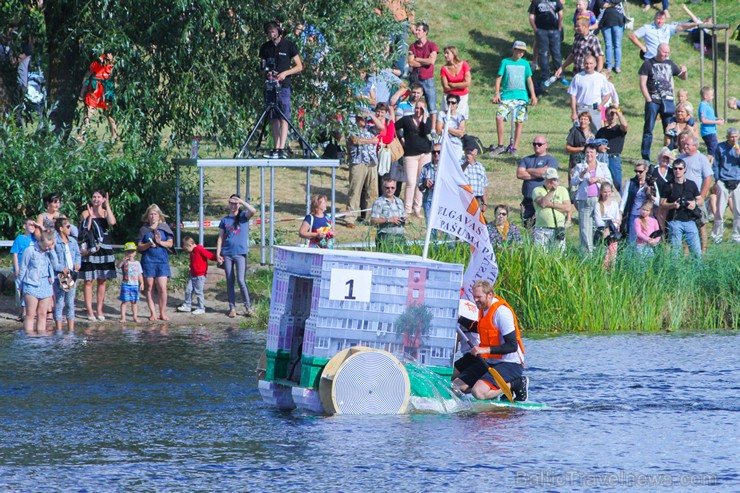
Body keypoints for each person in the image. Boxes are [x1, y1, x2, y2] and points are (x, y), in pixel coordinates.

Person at [452, 280, 528, 402]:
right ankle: (490, 389)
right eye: (474, 297)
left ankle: (517, 383)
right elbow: (479, 328)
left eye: (479, 297)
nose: (475, 300)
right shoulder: (483, 308)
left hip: (510, 363)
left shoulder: (502, 313)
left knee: (478, 392)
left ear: (490, 295)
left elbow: (512, 346)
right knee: (455, 388)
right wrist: (459, 318)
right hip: (491, 361)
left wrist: (483, 349)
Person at [259, 20, 303, 159]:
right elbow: (262, 66)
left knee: (284, 116)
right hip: (270, 86)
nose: (271, 35)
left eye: (273, 31)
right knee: (273, 117)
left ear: (279, 31)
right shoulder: (265, 47)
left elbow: (299, 66)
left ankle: (281, 148)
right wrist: (266, 72)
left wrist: (285, 73)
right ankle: (275, 147)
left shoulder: (288, 45)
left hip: (283, 86)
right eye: (269, 32)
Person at [638, 43, 687, 162]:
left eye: (668, 53)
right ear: (658, 50)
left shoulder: (669, 64)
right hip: (653, 100)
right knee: (649, 129)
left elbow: (683, 77)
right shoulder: (648, 64)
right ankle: (645, 157)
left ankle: (669, 154)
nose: (666, 55)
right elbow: (642, 83)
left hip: (668, 100)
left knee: (669, 129)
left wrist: (684, 71)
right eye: (664, 52)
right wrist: (648, 99)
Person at [490, 41, 538, 157]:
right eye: (518, 50)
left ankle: (514, 147)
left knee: (519, 122)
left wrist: (533, 95)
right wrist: (497, 94)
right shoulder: (505, 62)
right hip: (507, 96)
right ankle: (500, 145)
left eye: (522, 51)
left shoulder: (525, 64)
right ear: (513, 50)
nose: (520, 53)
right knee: (499, 116)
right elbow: (498, 78)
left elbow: (529, 80)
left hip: (521, 97)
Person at [79, 190, 117, 321]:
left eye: (98, 197)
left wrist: (107, 205)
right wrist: (90, 216)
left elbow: (112, 223)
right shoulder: (85, 213)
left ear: (102, 199)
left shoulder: (106, 213)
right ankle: (90, 310)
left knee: (102, 279)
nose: (96, 199)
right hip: (90, 249)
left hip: (104, 249)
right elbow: (84, 231)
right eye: (94, 196)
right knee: (88, 280)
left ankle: (99, 309)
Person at [216, 195, 257, 318]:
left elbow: (253, 211)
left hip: (240, 253)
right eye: (231, 203)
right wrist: (218, 254)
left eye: (235, 203)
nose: (233, 206)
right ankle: (232, 308)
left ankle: (248, 307)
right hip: (227, 253)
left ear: (239, 204)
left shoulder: (243, 217)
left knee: (241, 280)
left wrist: (241, 201)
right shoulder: (224, 220)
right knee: (230, 281)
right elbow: (220, 238)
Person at [571, 143, 613, 253]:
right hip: (585, 200)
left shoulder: (603, 166)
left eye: (592, 152)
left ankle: (599, 252)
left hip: (599, 200)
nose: (589, 154)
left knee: (599, 227)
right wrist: (583, 173)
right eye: (587, 152)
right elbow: (573, 181)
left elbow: (609, 181)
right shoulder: (580, 166)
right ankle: (586, 255)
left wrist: (597, 179)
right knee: (585, 228)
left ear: (597, 154)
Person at [677, 133, 713, 253]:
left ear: (695, 146)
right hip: (684, 197)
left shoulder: (701, 158)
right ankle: (686, 252)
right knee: (685, 224)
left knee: (701, 224)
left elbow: (708, 178)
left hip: (697, 197)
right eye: (684, 143)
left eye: (687, 144)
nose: (685, 145)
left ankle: (703, 251)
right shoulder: (681, 158)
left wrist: (702, 196)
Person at [137, 204, 174, 321]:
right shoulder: (143, 230)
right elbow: (139, 247)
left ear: (159, 216)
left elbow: (170, 244)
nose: (153, 216)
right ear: (147, 216)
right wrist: (148, 244)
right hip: (148, 261)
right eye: (151, 214)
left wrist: (159, 242)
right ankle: (152, 313)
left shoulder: (165, 228)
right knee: (149, 287)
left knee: (162, 287)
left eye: (155, 214)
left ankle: (162, 313)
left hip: (162, 261)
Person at [660, 159, 703, 259]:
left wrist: (694, 203)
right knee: (675, 253)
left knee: (696, 252)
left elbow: (700, 200)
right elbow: (662, 204)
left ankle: (698, 272)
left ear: (685, 169)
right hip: (674, 221)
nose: (677, 171)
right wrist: (673, 205)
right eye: (675, 168)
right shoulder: (668, 185)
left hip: (690, 221)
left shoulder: (691, 184)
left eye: (680, 168)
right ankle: (675, 273)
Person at [396, 99, 432, 217]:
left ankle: (417, 208)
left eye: (421, 108)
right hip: (410, 154)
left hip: (425, 154)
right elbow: (394, 126)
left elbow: (426, 131)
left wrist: (425, 117)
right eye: (417, 108)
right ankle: (407, 209)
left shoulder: (427, 121)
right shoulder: (407, 119)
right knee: (411, 182)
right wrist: (400, 137)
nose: (418, 110)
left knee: (420, 181)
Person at [517, 135, 559, 228]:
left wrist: (528, 170)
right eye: (534, 144)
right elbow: (520, 174)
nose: (537, 146)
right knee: (527, 227)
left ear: (546, 145)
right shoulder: (526, 159)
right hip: (528, 200)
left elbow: (545, 173)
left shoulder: (551, 160)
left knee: (542, 227)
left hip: (543, 199)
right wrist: (539, 174)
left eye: (539, 144)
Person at [17, 230, 55, 334]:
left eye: (49, 245)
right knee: (30, 314)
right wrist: (19, 285)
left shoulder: (49, 252)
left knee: (42, 314)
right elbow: (23, 268)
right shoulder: (30, 250)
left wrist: (52, 250)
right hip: (31, 284)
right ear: (40, 241)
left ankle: (41, 339)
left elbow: (56, 266)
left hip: (46, 285)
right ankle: (29, 338)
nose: (47, 248)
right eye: (46, 245)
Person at [345, 114, 379, 229]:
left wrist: (371, 115)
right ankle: (350, 218)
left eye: (365, 118)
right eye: (360, 118)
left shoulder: (371, 128)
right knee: (355, 190)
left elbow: (382, 128)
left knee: (372, 191)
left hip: (372, 162)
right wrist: (371, 141)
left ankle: (371, 218)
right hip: (358, 162)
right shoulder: (350, 129)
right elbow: (355, 140)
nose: (363, 120)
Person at [77, 52, 117, 143]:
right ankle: (81, 136)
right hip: (95, 88)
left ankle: (114, 137)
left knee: (109, 114)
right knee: (88, 113)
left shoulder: (112, 65)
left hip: (106, 89)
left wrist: (111, 61)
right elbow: (89, 77)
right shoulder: (96, 63)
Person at [49, 217, 81, 331]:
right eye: (68, 226)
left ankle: (71, 330)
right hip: (61, 275)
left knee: (70, 302)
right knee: (60, 302)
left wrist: (77, 264)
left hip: (71, 274)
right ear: (61, 228)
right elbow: (53, 260)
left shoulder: (72, 241)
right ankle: (59, 330)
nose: (70, 228)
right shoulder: (55, 241)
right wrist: (61, 268)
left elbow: (78, 254)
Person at [566, 55, 611, 132]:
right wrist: (573, 112)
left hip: (595, 109)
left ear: (595, 64)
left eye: (591, 63)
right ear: (583, 64)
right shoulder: (578, 77)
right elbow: (573, 96)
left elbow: (608, 94)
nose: (588, 66)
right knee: (579, 132)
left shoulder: (600, 77)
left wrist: (601, 105)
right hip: (581, 109)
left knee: (597, 132)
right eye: (586, 63)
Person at [408, 22, 439, 132]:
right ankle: (414, 125)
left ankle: (433, 129)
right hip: (416, 79)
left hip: (428, 79)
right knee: (413, 102)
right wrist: (425, 62)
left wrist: (418, 59)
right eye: (416, 30)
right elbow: (411, 63)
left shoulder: (432, 46)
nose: (416, 32)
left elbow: (432, 61)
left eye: (419, 30)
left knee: (431, 105)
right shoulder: (412, 46)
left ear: (425, 32)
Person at [628, 10, 697, 60]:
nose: (660, 21)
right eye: (658, 19)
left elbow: (681, 27)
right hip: (651, 59)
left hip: (665, 59)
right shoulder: (647, 28)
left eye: (662, 19)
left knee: (667, 80)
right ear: (654, 18)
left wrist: (695, 24)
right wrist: (643, 48)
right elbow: (632, 36)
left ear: (665, 20)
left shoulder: (668, 28)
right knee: (652, 80)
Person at [711, 128, 740, 243]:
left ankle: (736, 236)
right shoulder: (720, 147)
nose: (734, 139)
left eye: (736, 137)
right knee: (719, 210)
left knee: (738, 210)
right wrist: (717, 179)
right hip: (723, 180)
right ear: (727, 137)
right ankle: (717, 235)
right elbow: (716, 164)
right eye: (732, 137)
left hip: (737, 180)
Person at [533, 168, 572, 251]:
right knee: (541, 255)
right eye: (550, 179)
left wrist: (550, 204)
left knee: (559, 255)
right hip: (542, 229)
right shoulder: (537, 190)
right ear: (545, 179)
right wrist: (552, 191)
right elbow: (543, 203)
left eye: (554, 179)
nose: (552, 181)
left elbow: (568, 207)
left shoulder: (562, 190)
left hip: (558, 228)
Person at [529, 0, 566, 87]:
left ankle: (547, 77)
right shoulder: (537, 2)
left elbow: (561, 15)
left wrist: (536, 30)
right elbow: (561, 15)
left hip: (545, 30)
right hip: (548, 30)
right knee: (554, 54)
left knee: (545, 54)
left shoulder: (537, 2)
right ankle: (559, 76)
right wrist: (536, 30)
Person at [619, 159, 658, 243]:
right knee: (632, 241)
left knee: (645, 241)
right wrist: (620, 212)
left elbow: (658, 201)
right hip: (633, 215)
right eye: (636, 171)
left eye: (640, 171)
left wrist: (650, 195)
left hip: (647, 216)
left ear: (646, 170)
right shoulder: (631, 182)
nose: (638, 174)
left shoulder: (651, 183)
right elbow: (624, 199)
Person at [177, 236, 217, 315]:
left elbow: (209, 255)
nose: (187, 251)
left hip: (200, 275)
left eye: (186, 249)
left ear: (190, 245)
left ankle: (201, 308)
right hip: (193, 274)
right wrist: (191, 267)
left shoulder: (199, 249)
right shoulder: (192, 252)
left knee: (199, 292)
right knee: (188, 289)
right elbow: (193, 262)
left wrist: (217, 258)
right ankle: (188, 305)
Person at [596, 105, 628, 193]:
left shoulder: (619, 129)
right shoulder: (601, 131)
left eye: (613, 114)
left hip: (614, 158)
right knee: (602, 183)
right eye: (609, 114)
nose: (611, 117)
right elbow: (594, 144)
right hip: (602, 158)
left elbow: (625, 125)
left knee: (617, 183)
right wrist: (599, 148)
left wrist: (617, 111)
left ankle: (621, 203)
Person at [10, 218, 37, 321]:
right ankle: (22, 311)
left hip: (31, 269)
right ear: (24, 226)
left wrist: (38, 225)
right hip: (21, 268)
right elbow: (15, 253)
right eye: (30, 225)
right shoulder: (20, 238)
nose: (32, 227)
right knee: (20, 290)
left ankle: (27, 312)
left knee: (28, 290)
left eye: (34, 225)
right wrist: (16, 268)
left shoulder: (36, 238)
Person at [371, 177, 406, 249]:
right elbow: (373, 220)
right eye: (387, 188)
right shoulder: (378, 202)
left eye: (392, 188)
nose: (390, 190)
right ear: (382, 188)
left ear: (395, 188)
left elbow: (404, 217)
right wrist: (388, 220)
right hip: (385, 236)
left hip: (400, 236)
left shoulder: (399, 201)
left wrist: (404, 221)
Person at [593, 182, 621, 267]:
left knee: (612, 256)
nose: (607, 194)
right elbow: (598, 221)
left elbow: (618, 221)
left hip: (612, 231)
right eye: (605, 192)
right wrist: (611, 221)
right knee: (602, 256)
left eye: (609, 192)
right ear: (601, 192)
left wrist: (611, 226)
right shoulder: (598, 205)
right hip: (602, 231)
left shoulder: (615, 204)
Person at [439, 46, 471, 119]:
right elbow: (446, 87)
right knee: (446, 117)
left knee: (460, 118)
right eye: (444, 53)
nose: (445, 55)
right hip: (448, 97)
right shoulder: (444, 68)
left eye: (447, 53)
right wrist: (461, 84)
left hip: (462, 96)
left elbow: (467, 83)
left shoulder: (464, 65)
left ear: (454, 54)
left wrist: (453, 85)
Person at [595, 0, 626, 73]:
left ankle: (617, 66)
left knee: (617, 44)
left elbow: (617, 1)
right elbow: (600, 4)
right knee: (608, 44)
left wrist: (608, 4)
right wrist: (612, 4)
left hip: (618, 20)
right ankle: (609, 66)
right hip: (605, 21)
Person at [461, 136, 489, 213]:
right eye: (467, 151)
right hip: (465, 198)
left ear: (475, 152)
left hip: (478, 199)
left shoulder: (480, 167)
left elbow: (484, 186)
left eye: (471, 151)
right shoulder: (460, 163)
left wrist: (485, 203)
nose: (468, 153)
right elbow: (459, 173)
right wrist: (466, 163)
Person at [652, 146, 676, 232]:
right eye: (663, 157)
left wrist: (673, 158)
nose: (665, 159)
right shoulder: (653, 170)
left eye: (667, 157)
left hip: (669, 200)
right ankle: (661, 235)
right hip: (656, 200)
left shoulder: (672, 170)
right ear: (659, 157)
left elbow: (683, 169)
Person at [119, 242, 144, 323]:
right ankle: (123, 317)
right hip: (126, 284)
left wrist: (142, 283)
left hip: (135, 285)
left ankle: (135, 317)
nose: (130, 254)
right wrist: (122, 261)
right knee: (125, 301)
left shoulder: (137, 263)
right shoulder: (125, 262)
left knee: (134, 302)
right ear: (125, 252)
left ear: (135, 252)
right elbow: (118, 266)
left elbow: (140, 274)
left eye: (132, 252)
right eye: (128, 252)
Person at [698, 86, 724, 162]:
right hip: (707, 132)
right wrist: (716, 122)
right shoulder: (703, 105)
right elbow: (703, 120)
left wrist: (717, 119)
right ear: (706, 96)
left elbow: (710, 117)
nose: (712, 97)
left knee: (714, 150)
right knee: (712, 150)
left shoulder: (708, 105)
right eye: (711, 95)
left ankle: (711, 165)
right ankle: (705, 165)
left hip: (712, 131)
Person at [436, 93, 465, 160]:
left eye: (453, 103)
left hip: (456, 144)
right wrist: (455, 130)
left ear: (457, 104)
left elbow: (461, 133)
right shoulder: (441, 114)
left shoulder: (460, 117)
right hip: (443, 143)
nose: (450, 104)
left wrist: (445, 126)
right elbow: (439, 131)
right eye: (449, 102)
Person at [418, 142, 441, 221]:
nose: (436, 154)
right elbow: (420, 187)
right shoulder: (426, 167)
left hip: (443, 203)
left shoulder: (447, 168)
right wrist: (425, 184)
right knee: (430, 231)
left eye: (439, 152)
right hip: (429, 201)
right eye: (434, 152)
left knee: (445, 232)